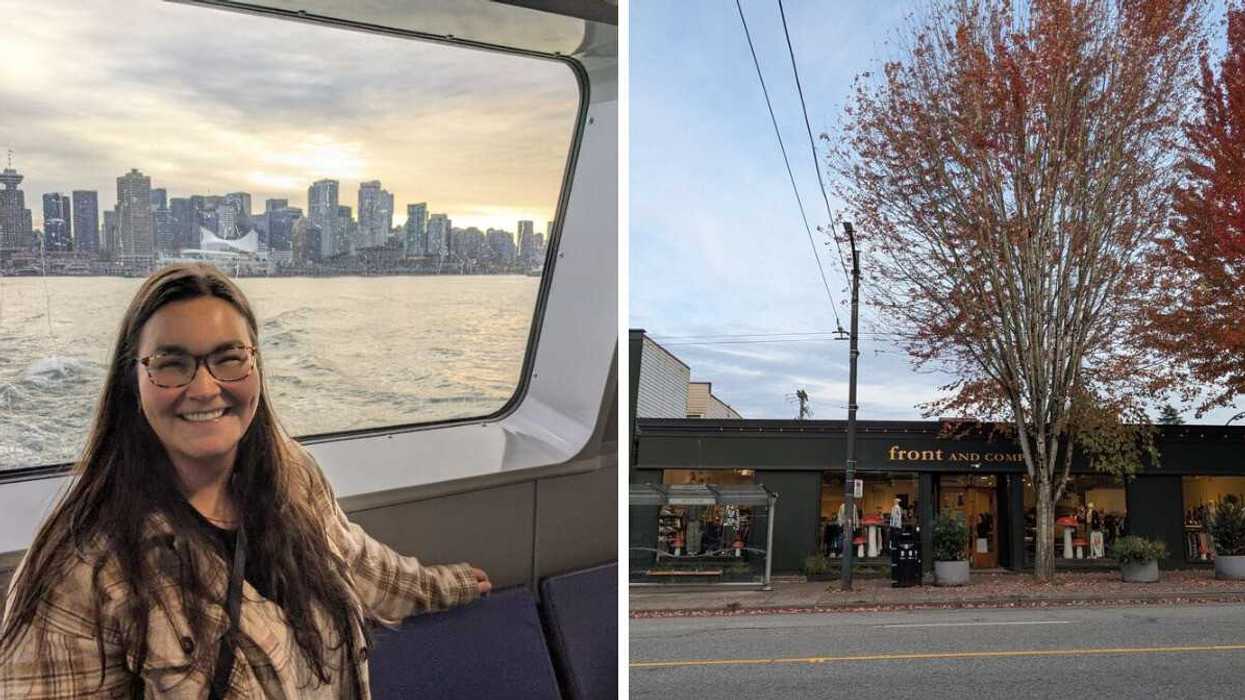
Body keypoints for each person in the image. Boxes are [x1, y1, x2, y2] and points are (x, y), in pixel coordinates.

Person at [0, 263, 491, 697]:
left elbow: (359, 564)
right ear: (134, 381)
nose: (205, 387)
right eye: (172, 364)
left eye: (228, 357)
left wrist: (446, 585)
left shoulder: (292, 475)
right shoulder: (82, 563)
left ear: (255, 363)